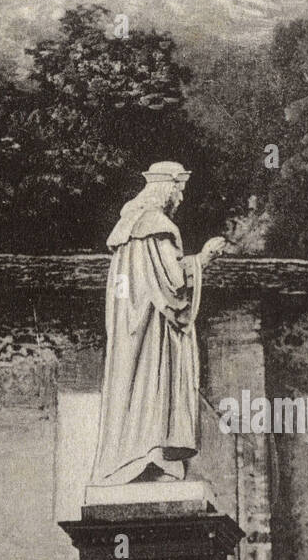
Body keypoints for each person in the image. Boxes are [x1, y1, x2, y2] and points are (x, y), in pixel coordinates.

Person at [89, 161, 226, 487]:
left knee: (136, 386)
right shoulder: (155, 227)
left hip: (133, 328)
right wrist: (205, 257)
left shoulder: (129, 232)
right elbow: (174, 284)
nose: (180, 199)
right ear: (168, 187)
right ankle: (150, 456)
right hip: (153, 330)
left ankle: (140, 457)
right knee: (154, 384)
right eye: (179, 190)